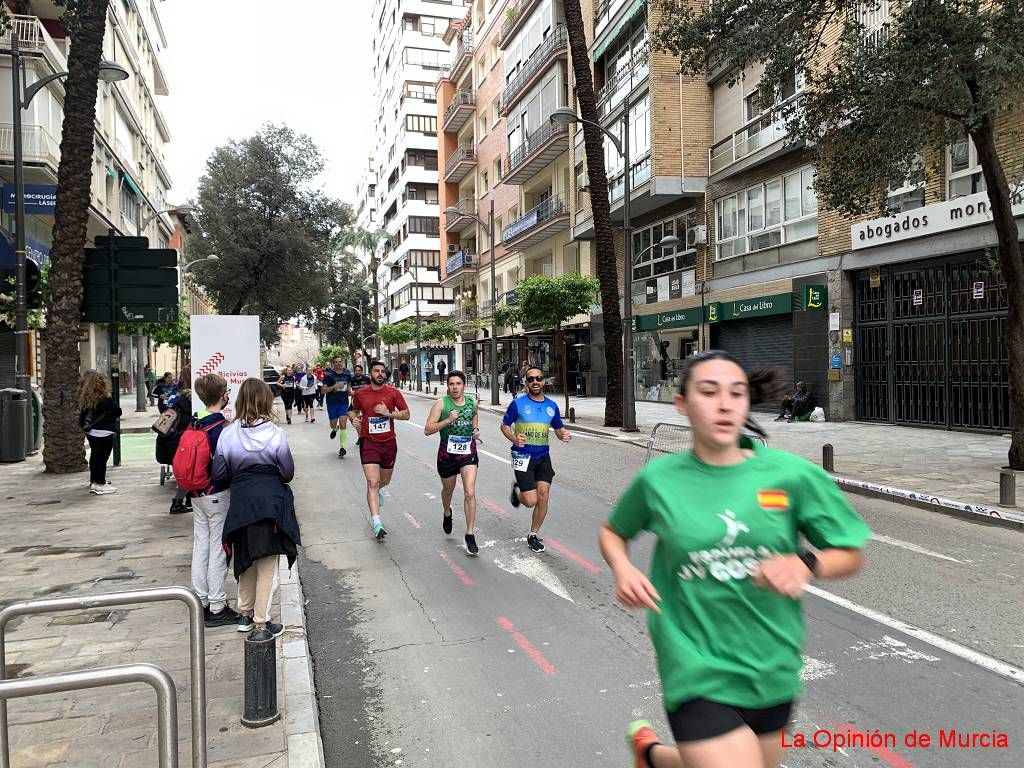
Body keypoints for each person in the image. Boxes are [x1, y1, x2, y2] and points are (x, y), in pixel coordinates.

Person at [600, 351, 869, 768]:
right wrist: (623, 568)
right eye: (709, 393)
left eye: (736, 393)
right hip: (694, 663)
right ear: (682, 404)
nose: (725, 404)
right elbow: (614, 532)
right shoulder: (659, 480)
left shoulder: (789, 476)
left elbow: (850, 554)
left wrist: (806, 564)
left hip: (771, 663)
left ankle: (651, 758)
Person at [213, 378, 300, 639]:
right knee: (266, 563)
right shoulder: (274, 433)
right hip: (269, 503)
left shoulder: (228, 433)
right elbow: (287, 473)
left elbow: (218, 473)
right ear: (266, 401)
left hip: (241, 502)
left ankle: (244, 615)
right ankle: (262, 623)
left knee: (246, 558)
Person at [186, 373, 241, 628]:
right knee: (219, 548)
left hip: (196, 493)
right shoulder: (220, 429)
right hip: (217, 493)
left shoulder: (194, 422)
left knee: (201, 545)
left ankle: (200, 600)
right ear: (223, 396)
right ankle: (218, 606)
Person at [501, 366, 571, 552]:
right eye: (531, 379)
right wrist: (514, 438)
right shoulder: (518, 404)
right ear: (526, 382)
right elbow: (505, 426)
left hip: (543, 457)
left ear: (543, 381)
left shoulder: (551, 406)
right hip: (522, 456)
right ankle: (517, 491)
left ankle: (533, 534)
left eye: (538, 378)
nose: (535, 382)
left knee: (543, 496)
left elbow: (557, 429)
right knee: (530, 501)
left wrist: (562, 434)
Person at [348, 361, 410, 541]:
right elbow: (352, 411)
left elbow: (406, 414)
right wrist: (354, 420)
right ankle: (377, 523)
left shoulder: (393, 393)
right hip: (369, 442)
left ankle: (378, 490)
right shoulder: (361, 393)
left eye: (383, 371)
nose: (380, 374)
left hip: (389, 443)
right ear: (371, 373)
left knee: (385, 480)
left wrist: (388, 413)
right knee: (372, 482)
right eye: (377, 371)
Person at [424, 371, 481, 555]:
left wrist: (476, 430)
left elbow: (474, 416)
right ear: (447, 386)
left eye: (458, 383)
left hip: (468, 453)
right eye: (451, 384)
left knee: (469, 492)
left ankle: (470, 534)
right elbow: (427, 430)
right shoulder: (441, 404)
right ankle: (447, 512)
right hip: (447, 454)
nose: (455, 387)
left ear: (464, 385)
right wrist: (448, 420)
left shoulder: (472, 402)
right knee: (448, 490)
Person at [78, 370, 121, 495]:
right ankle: (100, 483)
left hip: (91, 432)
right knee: (102, 458)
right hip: (105, 431)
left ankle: (94, 482)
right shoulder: (105, 399)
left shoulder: (86, 398)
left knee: (95, 456)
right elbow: (117, 411)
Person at [322, 355, 353, 457]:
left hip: (343, 402)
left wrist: (349, 391)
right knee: (333, 424)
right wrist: (334, 387)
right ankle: (335, 429)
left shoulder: (347, 373)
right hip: (332, 403)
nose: (338, 363)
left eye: (340, 361)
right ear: (333, 363)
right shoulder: (328, 375)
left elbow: (348, 384)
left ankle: (343, 447)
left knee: (344, 423)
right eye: (336, 362)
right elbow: (323, 390)